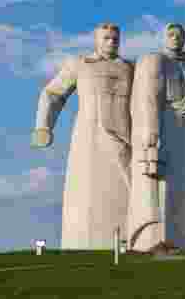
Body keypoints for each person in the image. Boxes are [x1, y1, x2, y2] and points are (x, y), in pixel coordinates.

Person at [31, 23, 133, 249]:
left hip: (125, 137)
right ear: (96, 40)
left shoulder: (130, 68)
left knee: (129, 189)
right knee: (87, 193)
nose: (111, 42)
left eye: (115, 38)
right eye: (106, 38)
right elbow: (53, 94)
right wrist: (43, 126)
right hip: (91, 137)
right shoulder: (80, 64)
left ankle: (131, 240)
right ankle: (83, 243)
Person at [128, 23, 185, 252]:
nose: (175, 38)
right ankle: (157, 239)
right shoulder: (155, 61)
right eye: (171, 34)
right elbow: (146, 97)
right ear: (164, 38)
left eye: (180, 35)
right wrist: (151, 130)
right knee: (163, 186)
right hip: (166, 128)